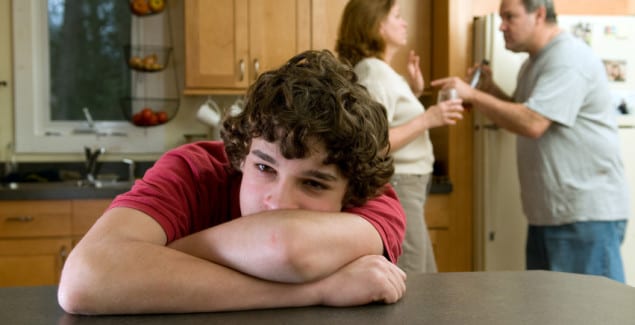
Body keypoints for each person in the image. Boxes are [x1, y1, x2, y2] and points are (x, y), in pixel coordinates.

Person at [57, 50, 408, 315]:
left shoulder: (373, 195)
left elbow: (284, 245)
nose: (278, 203)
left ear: (352, 192)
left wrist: (152, 261)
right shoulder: (192, 171)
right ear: (240, 156)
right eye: (265, 168)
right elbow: (82, 280)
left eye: (314, 184)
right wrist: (319, 290)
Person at [432, 0, 630, 282]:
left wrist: (474, 95)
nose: (501, 26)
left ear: (538, 15)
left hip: (583, 216)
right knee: (550, 313)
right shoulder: (533, 63)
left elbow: (534, 122)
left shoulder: (567, 58)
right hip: (549, 214)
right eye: (500, 18)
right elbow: (522, 113)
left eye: (509, 17)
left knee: (592, 314)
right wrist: (490, 90)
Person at [335, 0, 464, 273]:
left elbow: (385, 119)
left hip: (408, 185)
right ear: (377, 24)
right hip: (400, 184)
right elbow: (372, 144)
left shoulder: (378, 71)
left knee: (426, 274)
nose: (404, 23)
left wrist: (412, 91)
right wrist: (428, 118)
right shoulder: (374, 72)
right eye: (397, 16)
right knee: (416, 277)